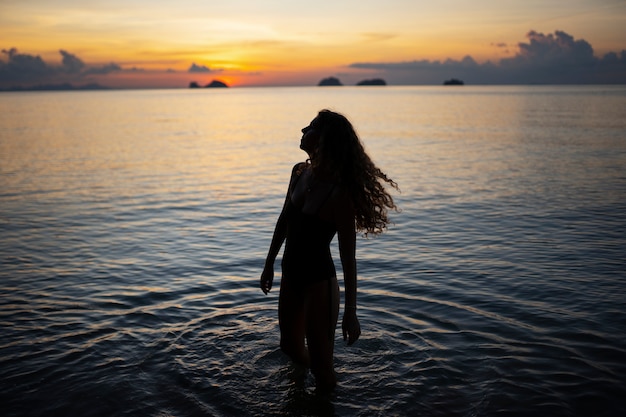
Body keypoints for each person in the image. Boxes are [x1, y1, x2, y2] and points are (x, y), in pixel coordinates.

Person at [260, 109, 398, 392]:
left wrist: (351, 313)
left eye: (309, 127)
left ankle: (327, 398)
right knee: (289, 347)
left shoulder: (339, 195)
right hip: (290, 276)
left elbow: (349, 258)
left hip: (319, 285)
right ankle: (302, 393)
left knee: (323, 371)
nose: (302, 130)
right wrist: (269, 263)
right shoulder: (299, 172)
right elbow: (284, 219)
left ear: (323, 139)